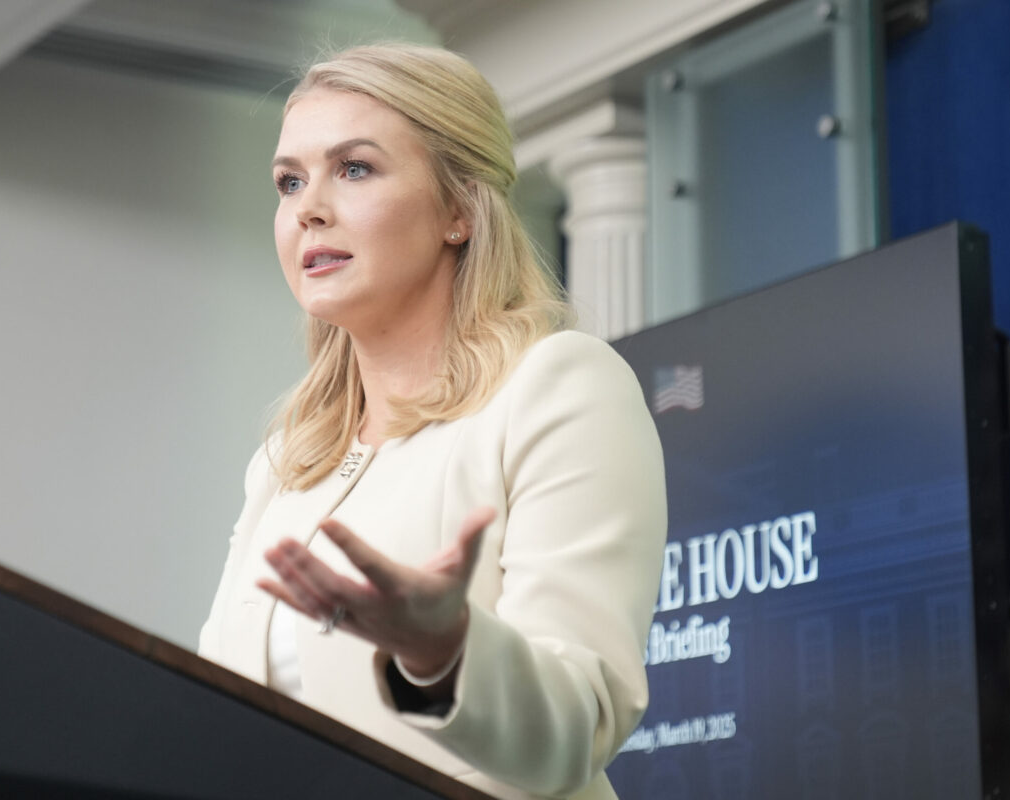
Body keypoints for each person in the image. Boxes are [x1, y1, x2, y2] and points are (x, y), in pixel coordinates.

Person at [198, 42, 667, 800]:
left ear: (459, 209)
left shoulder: (559, 386)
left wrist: (443, 653)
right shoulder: (286, 462)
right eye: (290, 182)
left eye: (355, 168)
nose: (308, 208)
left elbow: (579, 724)